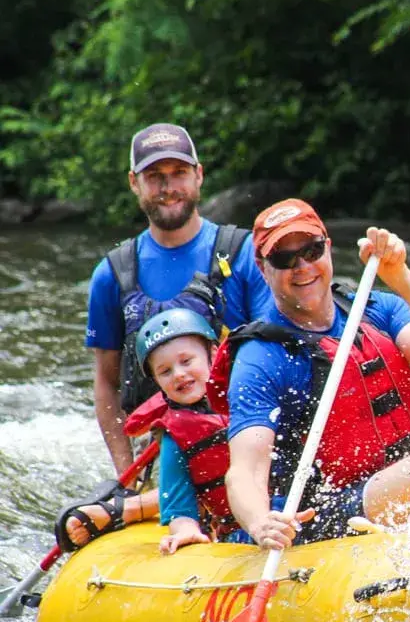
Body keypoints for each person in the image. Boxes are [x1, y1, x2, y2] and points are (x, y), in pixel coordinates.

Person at [220, 198, 410, 549]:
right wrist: (259, 521)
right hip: (326, 511)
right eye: (284, 259)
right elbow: (245, 470)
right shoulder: (260, 358)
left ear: (327, 249)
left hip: (406, 479)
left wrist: (400, 276)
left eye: (311, 251)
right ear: (262, 267)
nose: (302, 267)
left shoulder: (376, 308)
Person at [85, 123, 272, 475]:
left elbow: (276, 355)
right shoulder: (111, 276)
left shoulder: (246, 254)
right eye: (154, 176)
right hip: (161, 458)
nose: (168, 188)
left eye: (179, 173)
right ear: (133, 182)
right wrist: (128, 477)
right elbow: (107, 385)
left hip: (246, 449)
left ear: (198, 176)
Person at [58, 308, 243, 554]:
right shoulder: (176, 435)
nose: (179, 374)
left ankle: (126, 509)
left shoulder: (250, 394)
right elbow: (179, 507)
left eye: (187, 361)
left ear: (213, 354)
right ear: (156, 382)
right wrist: (185, 529)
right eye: (165, 371)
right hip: (239, 532)